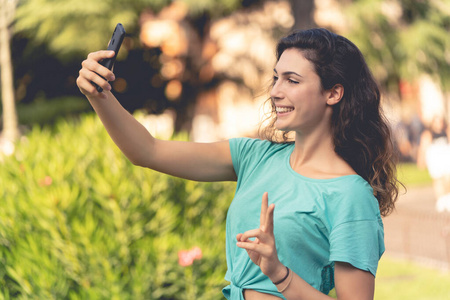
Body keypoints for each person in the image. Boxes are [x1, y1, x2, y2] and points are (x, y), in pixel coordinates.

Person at [77, 28, 401, 300]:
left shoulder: (350, 195)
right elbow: (147, 151)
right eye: (276, 78)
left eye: (292, 80)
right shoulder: (254, 157)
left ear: (333, 93)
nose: (275, 91)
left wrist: (279, 274)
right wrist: (99, 95)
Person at [417, 115, 450, 212]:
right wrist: (421, 160)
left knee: (447, 178)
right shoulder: (428, 134)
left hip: (445, 158)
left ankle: (447, 197)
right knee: (438, 179)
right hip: (435, 159)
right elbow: (423, 148)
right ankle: (440, 199)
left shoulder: (447, 131)